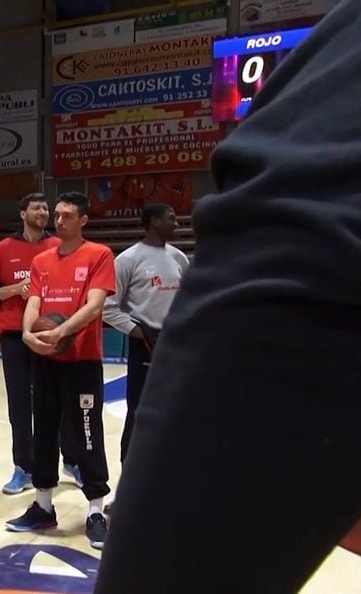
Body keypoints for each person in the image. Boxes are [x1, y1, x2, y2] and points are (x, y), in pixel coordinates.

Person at [95, 1, 361, 590]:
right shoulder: (132, 259)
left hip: (284, 295)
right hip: (246, 309)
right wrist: (138, 329)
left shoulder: (188, 259)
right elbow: (111, 303)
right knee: (135, 427)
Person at [5, 192, 115, 550]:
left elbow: (95, 304)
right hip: (46, 359)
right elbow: (33, 301)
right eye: (57, 214)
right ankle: (43, 506)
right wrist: (26, 333)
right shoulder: (42, 260)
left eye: (68, 215)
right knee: (44, 433)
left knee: (86, 434)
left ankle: (96, 511)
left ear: (83, 220)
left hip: (82, 360)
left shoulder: (99, 255)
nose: (59, 220)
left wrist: (61, 332)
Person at [0, 193, 83, 495]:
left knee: (60, 401)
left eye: (46, 208)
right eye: (37, 208)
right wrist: (15, 289)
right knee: (20, 405)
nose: (44, 212)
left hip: (52, 332)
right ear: (23, 213)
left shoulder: (57, 246)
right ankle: (23, 467)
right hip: (14, 334)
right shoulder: (4, 249)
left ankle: (71, 460)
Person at [102, 202, 189, 464]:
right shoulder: (128, 260)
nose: (177, 223)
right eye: (171, 218)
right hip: (144, 344)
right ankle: (127, 486)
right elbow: (107, 307)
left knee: (175, 411)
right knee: (139, 412)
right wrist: (137, 331)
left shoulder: (178, 258)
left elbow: (188, 297)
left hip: (175, 343)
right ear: (153, 222)